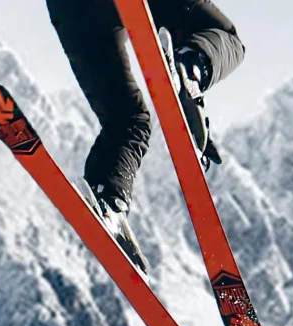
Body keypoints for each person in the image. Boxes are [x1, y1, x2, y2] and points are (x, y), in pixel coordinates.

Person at [45, 0, 245, 273]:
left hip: (71, 11)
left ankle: (108, 203)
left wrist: (191, 118)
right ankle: (190, 68)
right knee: (225, 37)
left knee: (127, 121)